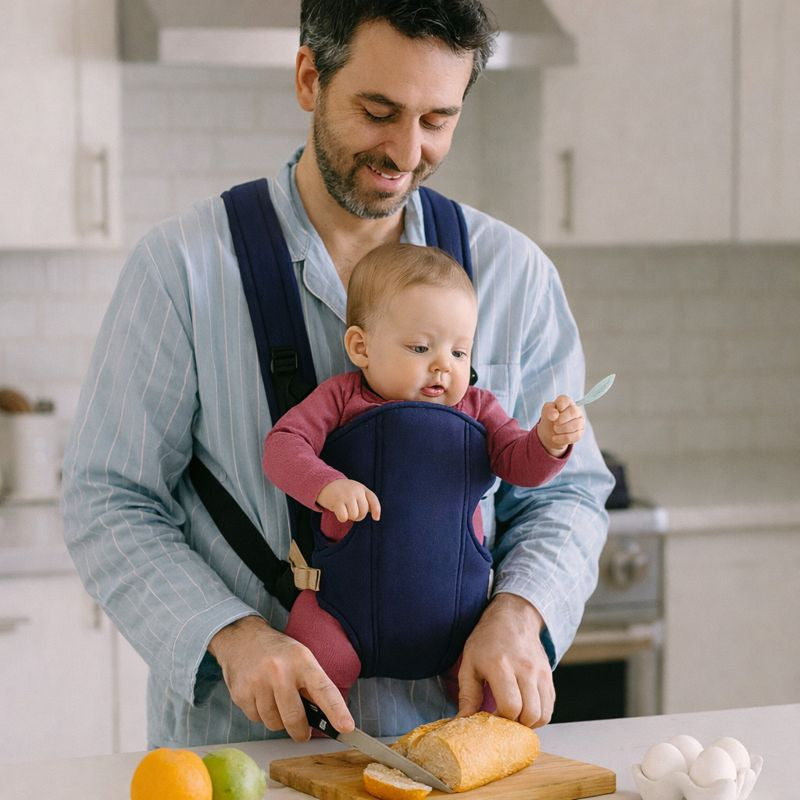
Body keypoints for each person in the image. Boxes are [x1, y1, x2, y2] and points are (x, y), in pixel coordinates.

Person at [62, 0, 614, 748]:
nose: (405, 151)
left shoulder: (516, 275)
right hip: (247, 748)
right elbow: (108, 499)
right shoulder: (181, 271)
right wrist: (233, 637)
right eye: (378, 111)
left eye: (437, 120)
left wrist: (522, 611)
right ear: (307, 78)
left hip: (456, 746)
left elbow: (569, 494)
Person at [263, 242, 586, 707]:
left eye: (459, 352)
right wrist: (327, 485)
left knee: (492, 697)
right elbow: (282, 447)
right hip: (341, 609)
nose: (443, 366)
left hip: (460, 621)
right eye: (420, 347)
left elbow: (519, 462)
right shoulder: (340, 399)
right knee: (309, 689)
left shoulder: (478, 407)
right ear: (361, 347)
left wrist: (549, 441)